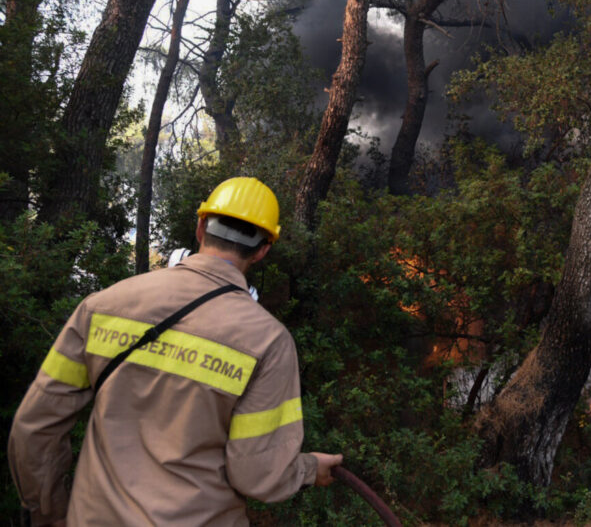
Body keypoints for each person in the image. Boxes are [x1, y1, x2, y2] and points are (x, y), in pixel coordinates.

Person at [8, 177, 343, 526]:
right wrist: (306, 469)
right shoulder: (269, 343)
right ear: (263, 250)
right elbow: (257, 474)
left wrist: (49, 513)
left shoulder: (102, 306)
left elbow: (34, 428)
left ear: (200, 227)